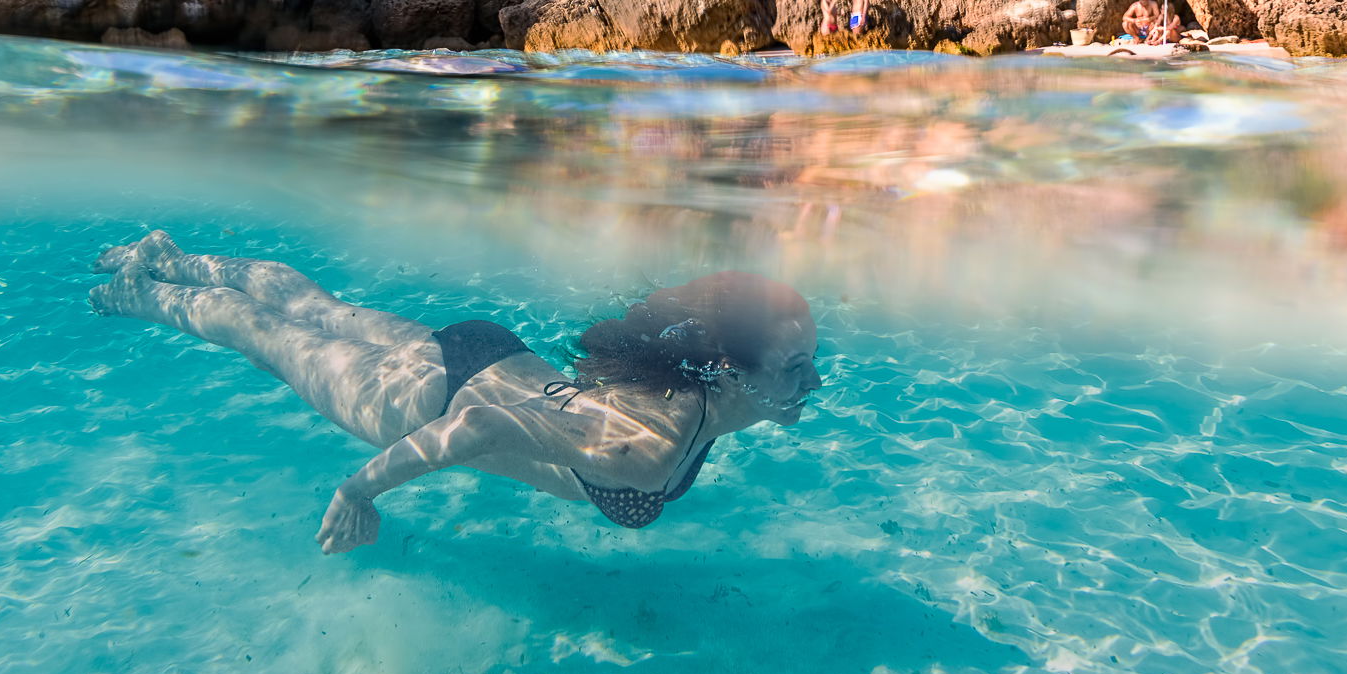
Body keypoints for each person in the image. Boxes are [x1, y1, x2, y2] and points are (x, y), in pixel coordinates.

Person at [87, 232, 822, 554]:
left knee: (314, 310)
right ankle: (137, 294)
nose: (813, 384)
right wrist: (358, 492)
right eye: (795, 369)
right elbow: (479, 429)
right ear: (726, 367)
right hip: (429, 407)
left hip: (483, 350)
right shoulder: (651, 450)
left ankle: (170, 258)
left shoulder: (691, 390)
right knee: (267, 337)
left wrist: (770, 392)